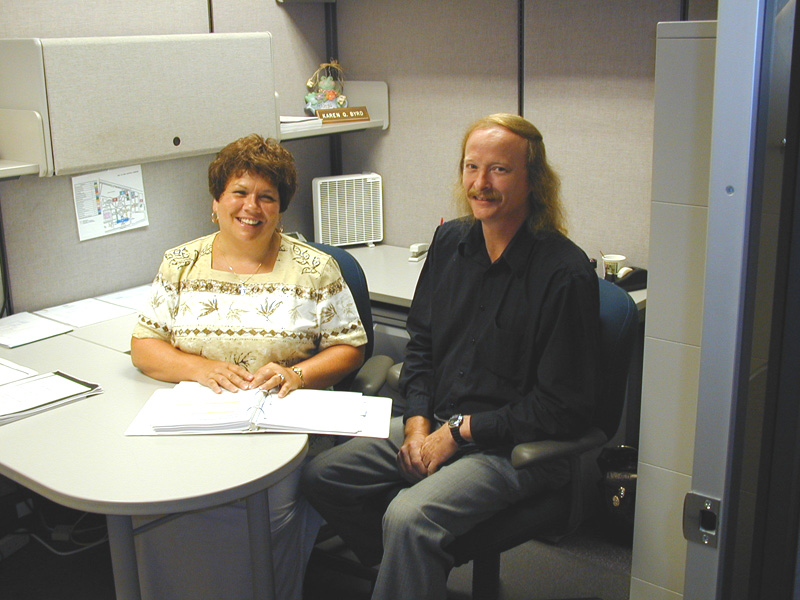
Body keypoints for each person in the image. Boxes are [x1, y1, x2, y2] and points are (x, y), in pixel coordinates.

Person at [300, 113, 600, 599]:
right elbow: (422, 345)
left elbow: (562, 407)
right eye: (471, 167)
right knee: (323, 476)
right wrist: (419, 424)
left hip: (515, 448)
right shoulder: (450, 242)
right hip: (437, 423)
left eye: (499, 170)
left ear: (533, 180)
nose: (481, 184)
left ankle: (410, 560)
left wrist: (459, 434)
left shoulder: (563, 274)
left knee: (407, 516)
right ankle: (411, 569)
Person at [130, 133, 367, 600]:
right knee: (161, 511)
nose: (251, 208)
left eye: (267, 197)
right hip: (197, 424)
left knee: (253, 523)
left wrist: (297, 375)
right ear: (216, 201)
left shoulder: (315, 269)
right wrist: (197, 369)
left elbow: (350, 348)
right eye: (239, 193)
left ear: (281, 207)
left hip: (282, 429)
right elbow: (144, 346)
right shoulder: (180, 263)